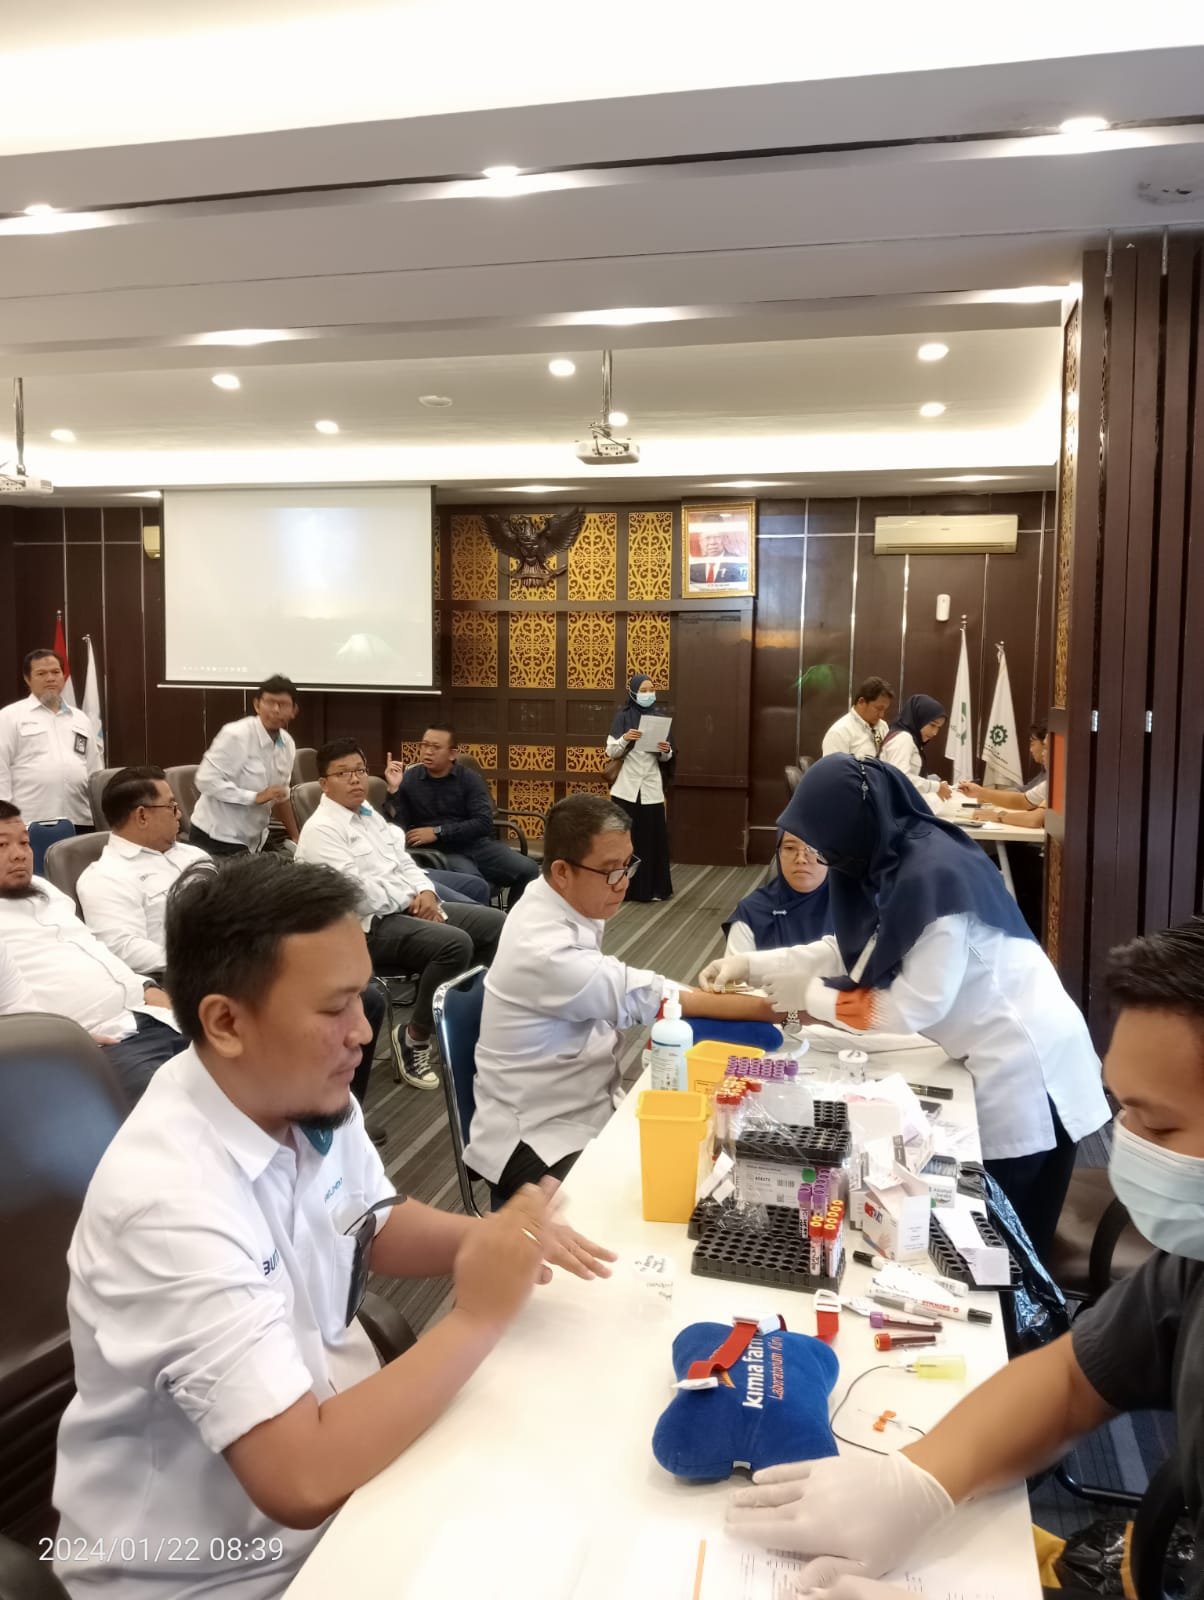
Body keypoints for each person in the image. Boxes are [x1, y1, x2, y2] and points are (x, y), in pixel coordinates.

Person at [51, 854, 614, 1600]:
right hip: (218, 1573)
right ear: (226, 1022)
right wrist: (477, 1315)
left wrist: (481, 1241)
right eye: (334, 1008)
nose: (363, 1031)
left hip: (347, 1484)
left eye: (363, 996)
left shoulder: (302, 1089)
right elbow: (300, 1477)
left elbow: (367, 1220)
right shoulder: (166, 1204)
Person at [724, 918, 1204, 1599]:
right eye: (1122, 1110)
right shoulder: (1192, 1266)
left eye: (1157, 1123)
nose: (1126, 1140)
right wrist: (919, 1476)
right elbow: (1075, 1377)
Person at [700, 755, 1109, 1261]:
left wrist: (810, 996)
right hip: (1001, 1050)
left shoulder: (933, 877)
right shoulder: (895, 855)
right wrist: (751, 964)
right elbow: (855, 949)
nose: (823, 857)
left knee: (1005, 1250)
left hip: (1029, 1069)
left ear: (854, 827)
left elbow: (907, 1011)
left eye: (827, 844)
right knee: (992, 1235)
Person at [466, 794, 775, 1208]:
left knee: (698, 1145)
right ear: (562, 871)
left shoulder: (562, 897)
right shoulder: (543, 949)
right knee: (658, 1192)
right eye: (611, 870)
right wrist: (781, 1009)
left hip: (587, 1098)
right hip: (535, 1132)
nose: (624, 882)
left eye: (629, 865)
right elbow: (648, 995)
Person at [297, 738, 505, 1091]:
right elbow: (356, 894)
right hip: (361, 928)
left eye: (360, 771)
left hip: (401, 909)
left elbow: (404, 863)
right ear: (323, 783)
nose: (355, 780)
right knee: (454, 944)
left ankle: (458, 1024)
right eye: (343, 773)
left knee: (495, 925)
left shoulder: (367, 814)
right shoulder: (322, 829)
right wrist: (411, 899)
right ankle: (414, 1037)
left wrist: (426, 892)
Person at [0, 798, 186, 1101]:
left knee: (246, 1059)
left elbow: (91, 947)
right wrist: (63, 1044)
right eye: (2, 845)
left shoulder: (43, 889)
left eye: (24, 842)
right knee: (177, 1105)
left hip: (146, 1015)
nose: (19, 854)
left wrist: (147, 988)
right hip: (96, 1045)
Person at [382, 724, 540, 906]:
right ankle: (485, 922)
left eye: (435, 747)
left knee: (529, 870)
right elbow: (397, 828)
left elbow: (483, 823)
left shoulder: (469, 779)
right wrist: (393, 790)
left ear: (452, 754)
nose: (428, 751)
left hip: (475, 844)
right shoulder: (410, 779)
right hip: (441, 851)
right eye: (424, 745)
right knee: (475, 885)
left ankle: (513, 919)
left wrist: (438, 831)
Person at [77, 765, 210, 977]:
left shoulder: (194, 855)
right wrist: (203, 959)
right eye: (171, 806)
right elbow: (124, 948)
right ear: (142, 816)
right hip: (183, 977)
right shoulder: (106, 876)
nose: (179, 814)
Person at [189, 674, 300, 857]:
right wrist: (254, 797)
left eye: (283, 704)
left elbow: (281, 794)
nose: (275, 709)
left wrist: (296, 836)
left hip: (256, 838)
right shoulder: (235, 735)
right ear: (257, 705)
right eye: (270, 702)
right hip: (217, 837)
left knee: (291, 868)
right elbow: (205, 781)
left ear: (294, 710)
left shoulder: (287, 744)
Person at [0, 647, 101, 829]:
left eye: (56, 672)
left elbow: (95, 770)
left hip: (81, 819)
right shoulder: (9, 716)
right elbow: (1, 769)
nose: (50, 678)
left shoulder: (80, 719)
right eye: (41, 673)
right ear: (27, 679)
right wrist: (4, 819)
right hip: (31, 821)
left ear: (63, 676)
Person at [605, 673, 675, 903]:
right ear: (633, 692)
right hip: (626, 789)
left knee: (652, 840)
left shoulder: (659, 718)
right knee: (626, 840)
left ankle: (653, 889)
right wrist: (626, 738)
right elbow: (611, 751)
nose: (648, 694)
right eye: (643, 690)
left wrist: (665, 750)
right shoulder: (623, 717)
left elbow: (666, 758)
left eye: (651, 689)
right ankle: (625, 889)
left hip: (651, 789)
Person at [723, 831, 831, 957]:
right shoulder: (751, 912)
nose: (801, 859)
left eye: (813, 849)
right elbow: (735, 968)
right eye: (790, 848)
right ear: (778, 854)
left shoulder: (849, 907)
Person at [959, 720, 1049, 825]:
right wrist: (980, 792)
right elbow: (1023, 800)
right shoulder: (1051, 780)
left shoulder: (1062, 783)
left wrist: (997, 816)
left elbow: (1034, 820)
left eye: (1047, 748)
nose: (1043, 753)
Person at [879, 692, 953, 800]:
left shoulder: (910, 739)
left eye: (938, 728)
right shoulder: (903, 738)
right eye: (932, 725)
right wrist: (935, 787)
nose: (935, 733)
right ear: (919, 718)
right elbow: (900, 779)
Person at [820, 676, 895, 759]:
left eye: (884, 710)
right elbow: (833, 766)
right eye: (878, 709)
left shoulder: (882, 726)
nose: (881, 715)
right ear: (861, 702)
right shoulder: (839, 733)